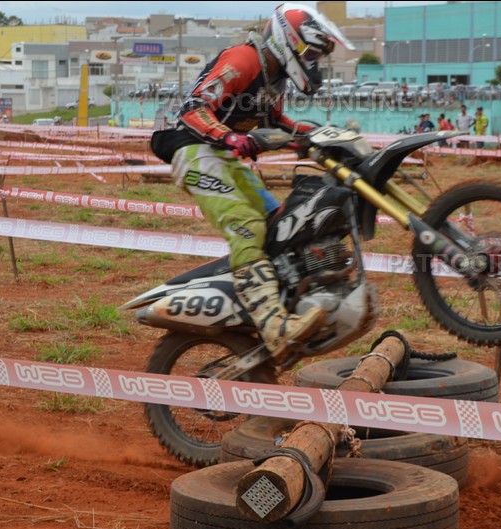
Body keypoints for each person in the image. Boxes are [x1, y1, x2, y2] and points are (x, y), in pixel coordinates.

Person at [148, 3, 352, 360]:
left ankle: (281, 303)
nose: (312, 61)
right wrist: (228, 137)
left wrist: (319, 135)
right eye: (310, 51)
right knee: (246, 225)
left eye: (317, 55)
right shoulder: (244, 59)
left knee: (280, 223)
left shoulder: (275, 78)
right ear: (288, 40)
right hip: (194, 151)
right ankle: (274, 326)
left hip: (225, 157)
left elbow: (276, 123)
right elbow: (193, 109)